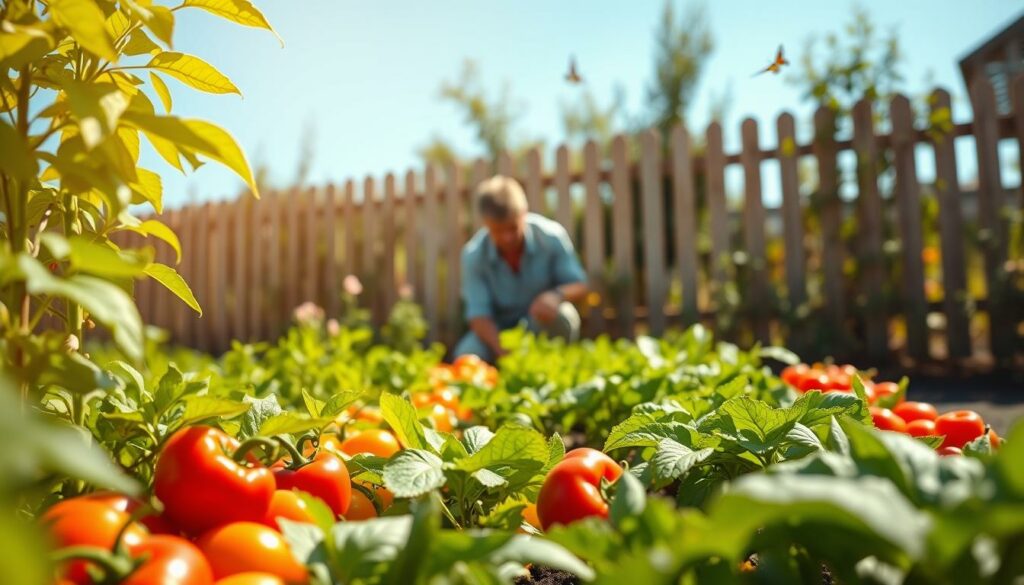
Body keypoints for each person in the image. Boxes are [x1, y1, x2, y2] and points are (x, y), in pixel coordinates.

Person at [453, 175, 588, 362]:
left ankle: (551, 368)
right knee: (467, 357)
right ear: (486, 223)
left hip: (539, 324)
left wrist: (556, 295)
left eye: (512, 228)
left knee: (564, 315)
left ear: (524, 213)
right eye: (499, 231)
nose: (507, 238)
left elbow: (580, 284)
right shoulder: (473, 255)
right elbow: (478, 316)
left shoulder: (551, 237)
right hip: (497, 330)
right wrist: (503, 350)